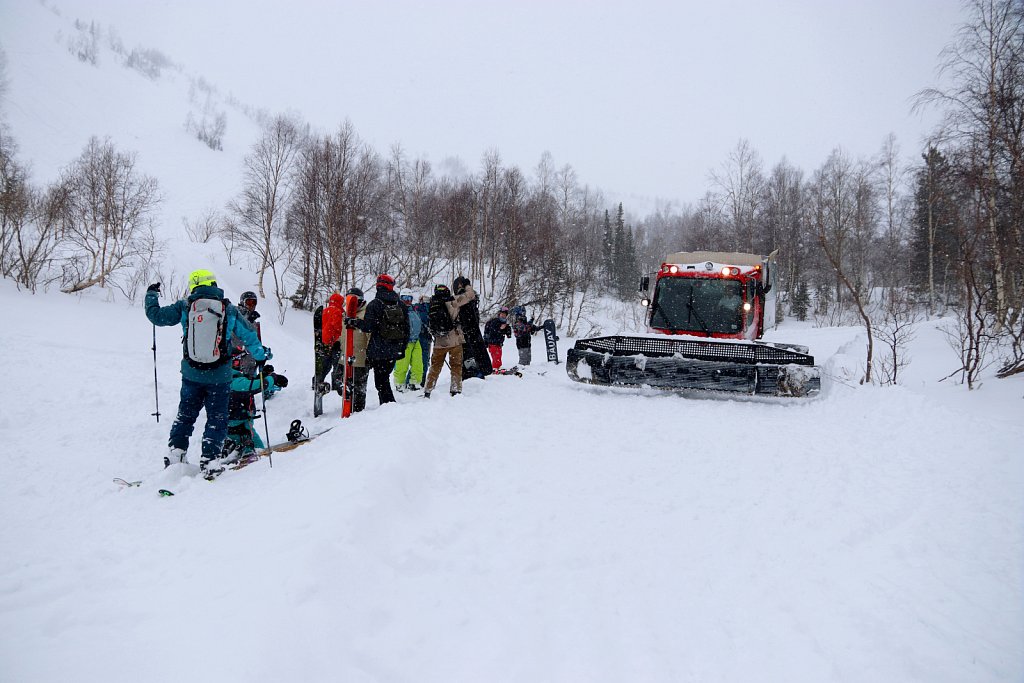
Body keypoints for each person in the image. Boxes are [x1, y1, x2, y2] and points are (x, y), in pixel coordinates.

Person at [145, 269, 267, 471]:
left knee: (185, 415)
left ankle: (176, 454)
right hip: (220, 376)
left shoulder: (185, 306)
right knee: (217, 419)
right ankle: (210, 461)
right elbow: (249, 336)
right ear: (213, 285)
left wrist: (151, 295)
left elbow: (156, 316)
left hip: (192, 374)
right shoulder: (228, 309)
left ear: (194, 285)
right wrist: (262, 356)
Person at [347, 274, 409, 406]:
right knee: (384, 379)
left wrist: (354, 322)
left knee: (381, 382)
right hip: (394, 350)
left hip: (378, 350)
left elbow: (368, 327)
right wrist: (402, 348)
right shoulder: (401, 305)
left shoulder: (375, 304)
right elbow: (406, 330)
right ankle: (387, 406)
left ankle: (389, 405)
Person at [221, 352, 287, 459]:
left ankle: (242, 452)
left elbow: (249, 384)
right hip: (238, 427)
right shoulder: (234, 381)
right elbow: (254, 386)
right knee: (258, 451)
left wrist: (263, 375)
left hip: (241, 424)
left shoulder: (231, 377)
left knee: (258, 448)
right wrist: (273, 378)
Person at [423, 282, 474, 398]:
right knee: (456, 366)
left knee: (435, 367)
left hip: (439, 342)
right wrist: (466, 285)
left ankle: (428, 390)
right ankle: (455, 390)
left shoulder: (432, 303)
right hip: (454, 340)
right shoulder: (453, 302)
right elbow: (470, 295)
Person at [453, 276, 492, 379]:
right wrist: (467, 286)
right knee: (468, 355)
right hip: (464, 334)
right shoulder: (456, 301)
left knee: (474, 354)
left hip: (471, 332)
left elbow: (470, 296)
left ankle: (476, 373)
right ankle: (471, 374)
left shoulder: (469, 303)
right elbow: (469, 295)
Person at [341, 287, 371, 412]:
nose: (353, 304)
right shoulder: (344, 315)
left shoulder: (366, 314)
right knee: (342, 384)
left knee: (359, 387)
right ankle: (347, 404)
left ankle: (358, 411)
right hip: (344, 358)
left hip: (360, 358)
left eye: (356, 300)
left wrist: (370, 354)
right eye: (349, 301)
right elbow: (340, 334)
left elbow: (370, 334)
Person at [394, 294, 425, 391]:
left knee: (418, 363)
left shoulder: (414, 309)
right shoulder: (398, 310)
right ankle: (399, 384)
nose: (407, 301)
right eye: (405, 298)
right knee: (402, 364)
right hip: (404, 341)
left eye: (410, 298)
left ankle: (415, 382)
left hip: (416, 340)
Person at [317, 292, 347, 395]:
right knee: (337, 364)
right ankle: (336, 385)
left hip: (324, 341)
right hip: (335, 342)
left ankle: (317, 381)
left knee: (325, 364)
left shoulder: (325, 311)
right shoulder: (338, 312)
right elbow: (337, 326)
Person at [413, 295, 432, 379]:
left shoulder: (415, 307)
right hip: (425, 337)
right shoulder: (430, 308)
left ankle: (413, 380)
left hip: (417, 337)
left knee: (417, 361)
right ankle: (421, 380)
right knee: (424, 360)